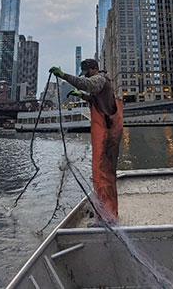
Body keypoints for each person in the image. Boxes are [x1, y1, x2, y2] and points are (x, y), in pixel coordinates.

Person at [49, 59, 123, 223]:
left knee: (104, 173)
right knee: (101, 172)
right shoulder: (101, 83)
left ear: (95, 69)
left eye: (88, 72)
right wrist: (82, 96)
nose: (87, 76)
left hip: (108, 131)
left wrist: (64, 76)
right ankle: (106, 212)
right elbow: (95, 97)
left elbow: (89, 84)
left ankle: (108, 216)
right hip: (107, 130)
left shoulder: (100, 79)